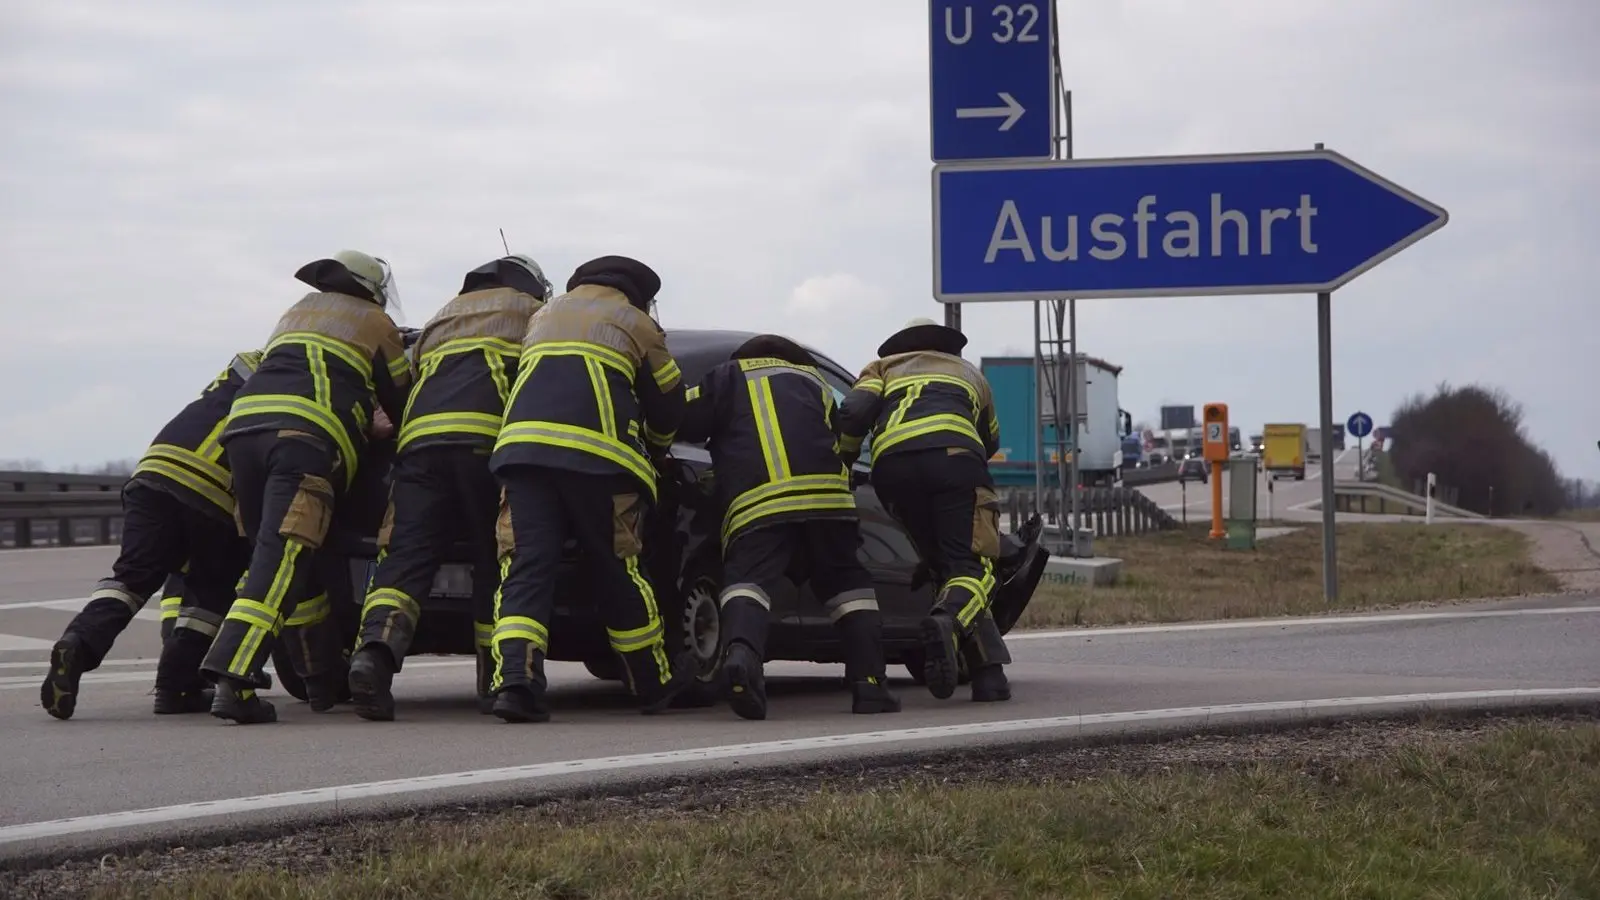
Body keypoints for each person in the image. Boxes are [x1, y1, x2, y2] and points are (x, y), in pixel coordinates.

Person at [200, 250, 413, 724]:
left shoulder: (298, 311)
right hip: (304, 439)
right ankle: (233, 676)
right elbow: (402, 396)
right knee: (282, 559)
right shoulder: (374, 321)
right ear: (372, 288)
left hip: (244, 431)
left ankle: (320, 680)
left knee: (282, 559)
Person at [486, 255, 697, 723]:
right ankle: (650, 682)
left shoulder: (544, 315)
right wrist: (656, 448)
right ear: (639, 294)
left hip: (523, 457)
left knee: (526, 568)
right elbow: (668, 403)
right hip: (600, 461)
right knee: (618, 569)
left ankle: (517, 683)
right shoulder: (634, 321)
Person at [347, 254, 553, 721]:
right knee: (494, 560)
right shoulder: (533, 313)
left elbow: (410, 378)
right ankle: (497, 683)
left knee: (404, 558)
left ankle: (374, 655)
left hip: (420, 447)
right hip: (487, 444)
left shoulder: (444, 316)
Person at [676, 333, 901, 720]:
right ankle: (870, 686)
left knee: (748, 583)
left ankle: (742, 659)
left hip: (761, 504)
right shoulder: (815, 382)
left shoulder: (727, 376)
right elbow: (843, 435)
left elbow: (682, 418)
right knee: (849, 590)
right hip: (829, 502)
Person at [40, 351, 265, 720]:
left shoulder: (246, 364)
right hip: (211, 487)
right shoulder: (294, 375)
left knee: (131, 578)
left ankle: (77, 644)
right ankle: (176, 686)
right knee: (211, 593)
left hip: (154, 470)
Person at [837, 317, 1012, 703]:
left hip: (892, 472)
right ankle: (947, 621)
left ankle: (989, 674)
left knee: (942, 568)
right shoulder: (969, 373)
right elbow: (991, 438)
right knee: (974, 568)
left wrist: (845, 461)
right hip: (955, 461)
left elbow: (853, 413)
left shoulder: (882, 368)